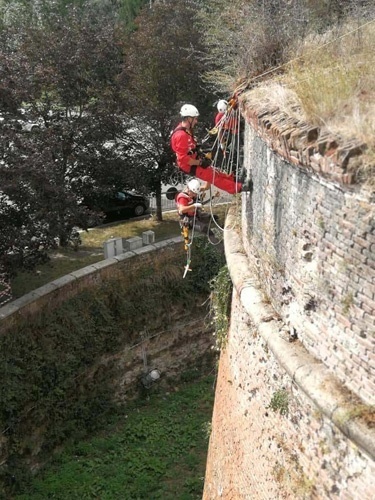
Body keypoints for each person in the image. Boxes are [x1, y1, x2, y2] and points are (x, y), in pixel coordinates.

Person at [170, 104, 249, 194]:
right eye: (195, 119)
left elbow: (189, 147)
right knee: (214, 177)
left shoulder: (186, 130)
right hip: (190, 165)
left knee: (217, 172)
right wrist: (199, 162)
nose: (196, 121)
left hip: (194, 159)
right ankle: (240, 188)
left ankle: (236, 179)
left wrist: (199, 153)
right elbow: (183, 158)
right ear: (189, 118)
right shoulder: (181, 135)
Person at [175, 178, 220, 243]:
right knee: (207, 230)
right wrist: (194, 206)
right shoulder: (182, 197)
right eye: (193, 193)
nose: (195, 195)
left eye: (196, 193)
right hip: (189, 220)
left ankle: (214, 234)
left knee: (214, 217)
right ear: (189, 189)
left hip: (196, 215)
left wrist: (209, 177)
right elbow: (182, 210)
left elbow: (206, 187)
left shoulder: (194, 190)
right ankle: (219, 246)